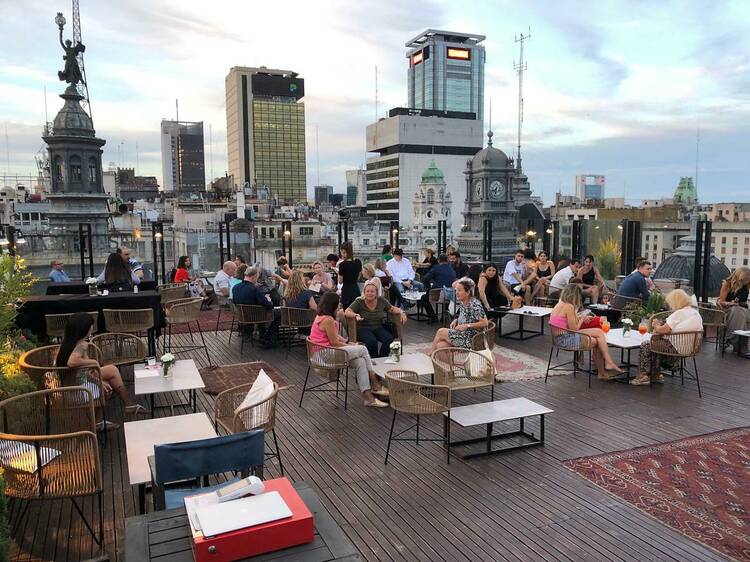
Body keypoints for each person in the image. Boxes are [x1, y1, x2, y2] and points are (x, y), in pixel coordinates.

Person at [55, 312, 147, 420]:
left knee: (112, 370)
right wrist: (93, 362)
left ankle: (129, 405)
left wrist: (97, 381)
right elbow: (71, 362)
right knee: (108, 388)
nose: (92, 327)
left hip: (69, 385)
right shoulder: (81, 345)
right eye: (91, 325)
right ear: (85, 329)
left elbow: (81, 372)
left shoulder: (67, 343)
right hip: (78, 391)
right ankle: (97, 422)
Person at [310, 292, 388, 407]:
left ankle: (369, 398)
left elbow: (335, 338)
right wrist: (352, 346)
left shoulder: (321, 316)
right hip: (324, 355)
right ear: (333, 305)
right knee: (362, 349)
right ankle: (375, 383)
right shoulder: (328, 320)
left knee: (360, 361)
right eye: (338, 304)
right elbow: (335, 343)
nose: (340, 306)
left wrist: (347, 342)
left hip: (324, 353)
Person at [549, 285, 623, 380]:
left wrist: (580, 318)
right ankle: (604, 369)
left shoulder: (560, 304)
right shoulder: (569, 306)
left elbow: (567, 323)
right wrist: (583, 318)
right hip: (566, 340)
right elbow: (575, 329)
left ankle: (606, 366)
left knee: (599, 334)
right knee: (597, 341)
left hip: (559, 338)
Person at [630, 289, 703, 385]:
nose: (669, 306)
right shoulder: (695, 313)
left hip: (675, 348)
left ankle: (643, 376)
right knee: (656, 343)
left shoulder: (679, 314)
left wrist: (656, 325)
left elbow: (665, 330)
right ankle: (655, 374)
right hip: (689, 348)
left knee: (647, 344)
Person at [346, 280, 406, 358]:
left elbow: (392, 309)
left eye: (372, 291)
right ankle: (372, 359)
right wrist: (355, 315)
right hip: (363, 328)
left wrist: (402, 312)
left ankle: (382, 357)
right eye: (367, 291)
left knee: (389, 339)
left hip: (377, 327)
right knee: (372, 341)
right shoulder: (359, 301)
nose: (369, 293)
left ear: (376, 293)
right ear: (364, 292)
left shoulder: (381, 300)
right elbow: (347, 311)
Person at [430, 277, 489, 352]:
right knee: (440, 346)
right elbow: (467, 316)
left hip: (471, 339)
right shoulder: (463, 302)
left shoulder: (474, 305)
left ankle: (430, 354)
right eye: (456, 290)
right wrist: (457, 320)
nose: (456, 293)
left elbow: (485, 322)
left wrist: (466, 325)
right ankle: (446, 364)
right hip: (463, 335)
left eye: (459, 290)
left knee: (441, 331)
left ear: (468, 292)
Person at [233, 267, 277, 346]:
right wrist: (269, 300)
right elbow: (268, 305)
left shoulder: (235, 288)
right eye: (257, 277)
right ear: (253, 277)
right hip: (255, 316)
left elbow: (235, 302)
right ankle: (267, 338)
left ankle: (250, 334)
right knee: (276, 314)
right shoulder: (254, 289)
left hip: (242, 316)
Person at [719, 266, 750, 354]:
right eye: (745, 279)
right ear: (740, 277)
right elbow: (721, 302)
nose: (747, 281)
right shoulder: (727, 284)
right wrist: (730, 303)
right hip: (729, 310)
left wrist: (738, 304)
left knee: (739, 313)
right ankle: (741, 345)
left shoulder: (747, 284)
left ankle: (733, 339)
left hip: (744, 309)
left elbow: (744, 303)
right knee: (736, 312)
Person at [421, 254, 457, 318]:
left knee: (424, 298)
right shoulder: (451, 269)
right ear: (447, 260)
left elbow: (426, 278)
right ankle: (445, 315)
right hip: (450, 294)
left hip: (437, 293)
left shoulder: (436, 268)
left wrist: (428, 287)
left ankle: (432, 316)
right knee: (445, 298)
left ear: (439, 260)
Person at [338, 241, 362, 309]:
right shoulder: (358, 262)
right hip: (356, 289)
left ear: (344, 251)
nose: (342, 254)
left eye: (342, 252)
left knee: (347, 312)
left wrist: (338, 272)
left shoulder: (342, 265)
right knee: (356, 310)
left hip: (346, 291)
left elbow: (340, 281)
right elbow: (359, 276)